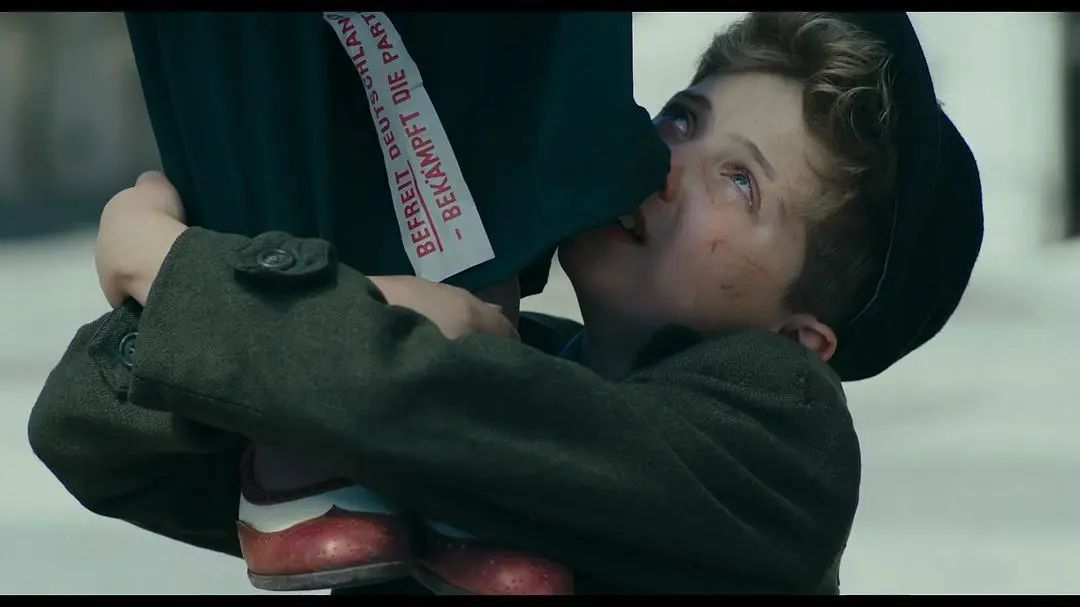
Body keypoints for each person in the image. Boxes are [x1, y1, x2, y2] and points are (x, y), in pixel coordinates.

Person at [29, 12, 983, 594]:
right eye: (684, 118)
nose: (663, 164)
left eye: (741, 182)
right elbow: (84, 429)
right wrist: (344, 320)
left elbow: (437, 400)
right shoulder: (516, 358)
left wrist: (170, 266)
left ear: (800, 335)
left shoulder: (782, 444)